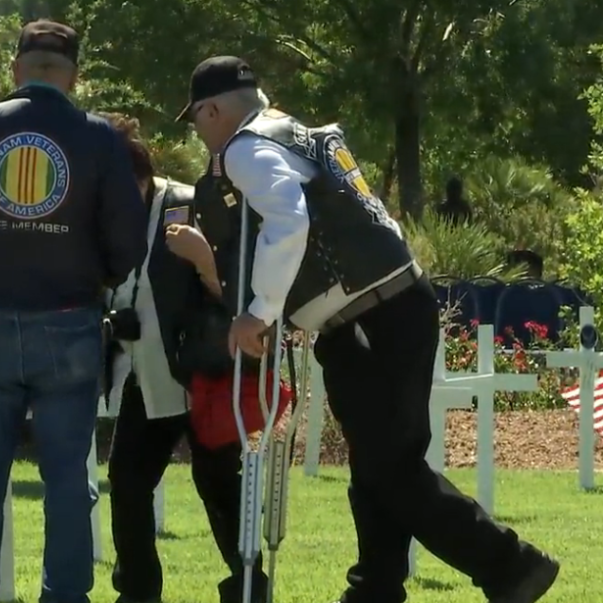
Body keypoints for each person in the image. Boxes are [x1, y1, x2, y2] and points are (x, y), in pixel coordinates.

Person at [178, 55, 559, 603]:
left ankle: (510, 564)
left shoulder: (245, 148)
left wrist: (260, 311)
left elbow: (287, 219)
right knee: (379, 460)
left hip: (366, 321)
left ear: (212, 109)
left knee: (388, 466)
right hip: (396, 306)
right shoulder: (299, 134)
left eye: (196, 120)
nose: (199, 134)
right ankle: (375, 588)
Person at [0, 20, 148, 603]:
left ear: (18, 69)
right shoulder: (98, 138)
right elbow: (130, 242)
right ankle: (65, 595)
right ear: (74, 76)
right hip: (70, 318)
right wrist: (96, 278)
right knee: (69, 477)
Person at [98, 114, 287, 603]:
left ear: (137, 174)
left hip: (203, 375)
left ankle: (249, 589)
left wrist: (204, 260)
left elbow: (244, 293)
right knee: (128, 481)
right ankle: (138, 591)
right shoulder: (105, 224)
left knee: (219, 484)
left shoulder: (190, 205)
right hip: (147, 373)